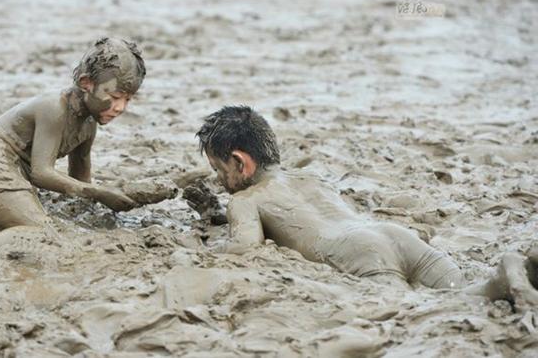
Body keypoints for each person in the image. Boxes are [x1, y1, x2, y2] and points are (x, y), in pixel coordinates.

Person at [190, 105, 538, 311]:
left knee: (429, 309)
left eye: (219, 171)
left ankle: (502, 279)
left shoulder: (246, 200)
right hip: (394, 237)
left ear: (241, 163)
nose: (220, 181)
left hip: (358, 256)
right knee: (456, 287)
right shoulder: (312, 178)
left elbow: (244, 249)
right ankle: (525, 270)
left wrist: (206, 237)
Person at [0, 37, 145, 231]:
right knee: (45, 234)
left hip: (16, 176)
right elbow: (41, 173)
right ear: (86, 83)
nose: (120, 108)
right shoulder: (55, 108)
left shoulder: (89, 123)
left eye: (128, 99)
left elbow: (80, 178)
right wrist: (100, 192)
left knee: (50, 229)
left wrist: (101, 204)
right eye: (115, 97)